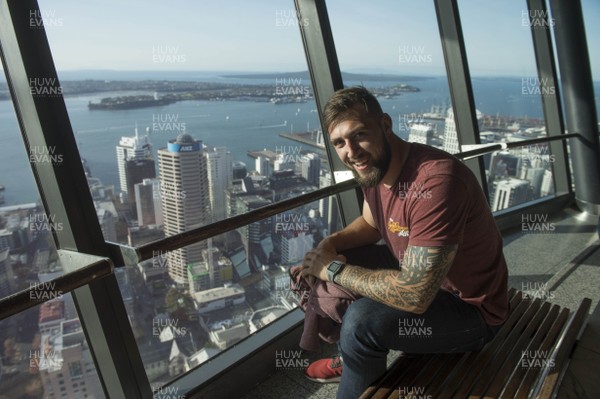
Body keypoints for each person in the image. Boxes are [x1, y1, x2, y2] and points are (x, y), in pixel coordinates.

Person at [299, 86, 509, 398]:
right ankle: (356, 358)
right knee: (314, 266)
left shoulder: (436, 182)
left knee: (361, 321)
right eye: (339, 143)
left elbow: (415, 295)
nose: (351, 151)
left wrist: (333, 270)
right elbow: (371, 224)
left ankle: (357, 362)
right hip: (424, 280)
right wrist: (328, 246)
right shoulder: (374, 169)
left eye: (358, 134)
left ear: (385, 125)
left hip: (473, 313)